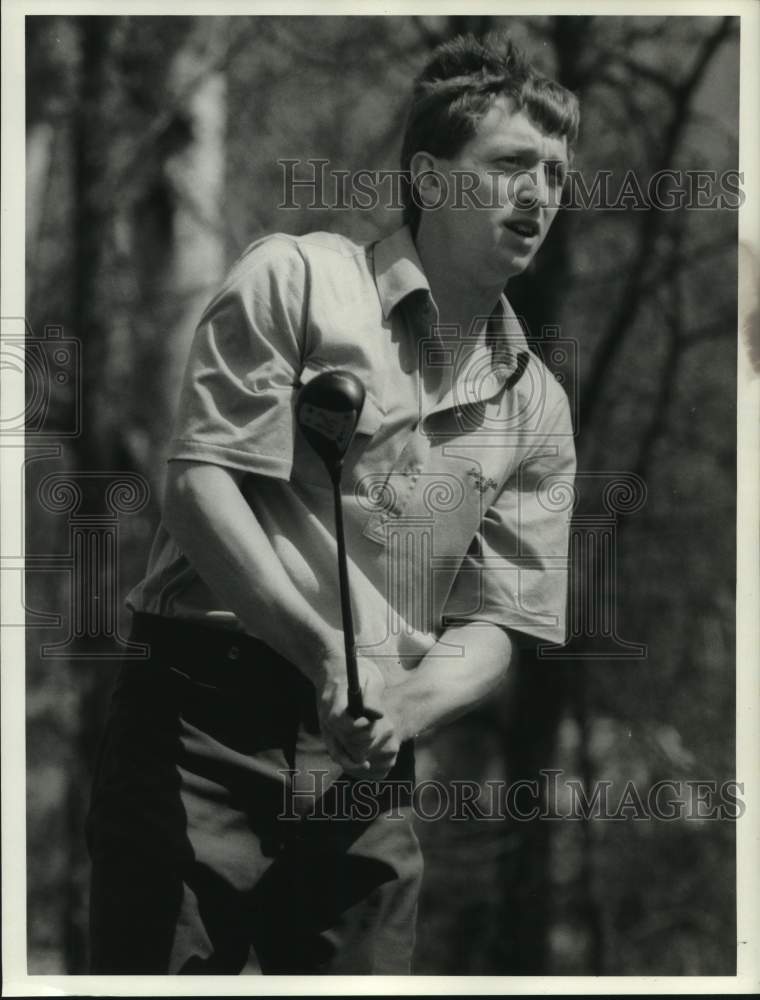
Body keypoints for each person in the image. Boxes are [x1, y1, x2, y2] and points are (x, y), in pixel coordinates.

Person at [86, 30, 579, 975]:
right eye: (513, 165)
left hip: (364, 768)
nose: (541, 194)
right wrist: (322, 654)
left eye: (555, 174)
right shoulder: (300, 278)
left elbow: (502, 623)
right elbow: (199, 487)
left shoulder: (540, 407)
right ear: (430, 181)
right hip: (198, 728)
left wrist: (402, 705)